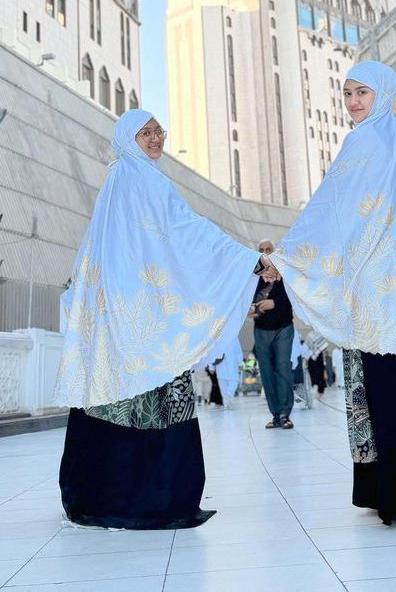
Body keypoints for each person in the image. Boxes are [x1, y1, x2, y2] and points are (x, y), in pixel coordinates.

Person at [262, 61, 396, 527]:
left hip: (374, 298)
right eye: (347, 93)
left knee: (382, 387)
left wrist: (288, 255)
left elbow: (332, 210)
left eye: (363, 92)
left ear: (381, 94)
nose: (354, 101)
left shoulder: (363, 142)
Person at [54, 109, 265, 530]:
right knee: (152, 394)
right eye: (144, 133)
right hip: (140, 312)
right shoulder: (141, 181)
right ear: (126, 139)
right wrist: (249, 261)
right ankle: (155, 497)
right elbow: (187, 233)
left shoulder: (118, 181)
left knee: (116, 397)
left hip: (123, 312)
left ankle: (102, 496)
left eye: (158, 131)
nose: (154, 139)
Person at [250, 239, 295, 429]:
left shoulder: (285, 273)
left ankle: (285, 413)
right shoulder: (252, 277)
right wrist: (250, 309)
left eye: (268, 249)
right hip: (261, 329)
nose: (265, 252)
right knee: (266, 373)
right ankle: (275, 414)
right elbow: (244, 300)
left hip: (283, 328)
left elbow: (295, 299)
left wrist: (274, 303)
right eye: (261, 250)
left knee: (283, 369)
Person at [215, 338, 243, 407]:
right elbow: (238, 351)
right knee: (231, 381)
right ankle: (227, 399)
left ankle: (227, 398)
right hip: (227, 365)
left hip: (226, 365)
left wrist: (240, 363)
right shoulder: (233, 337)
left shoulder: (233, 337)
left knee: (228, 381)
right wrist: (240, 363)